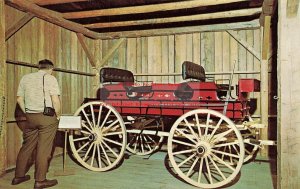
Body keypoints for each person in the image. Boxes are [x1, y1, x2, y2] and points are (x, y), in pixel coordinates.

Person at [12, 59, 61, 189]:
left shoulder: (25, 78)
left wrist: (27, 112)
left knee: (27, 146)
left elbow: (19, 99)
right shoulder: (51, 79)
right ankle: (40, 180)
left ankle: (18, 176)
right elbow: (55, 100)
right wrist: (59, 115)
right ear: (51, 69)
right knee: (43, 149)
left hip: (29, 117)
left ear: (39, 67)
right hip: (46, 117)